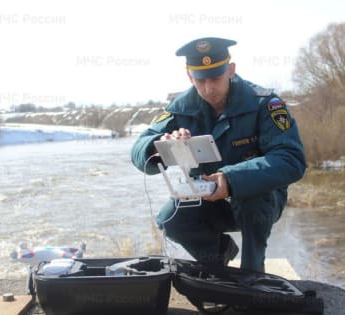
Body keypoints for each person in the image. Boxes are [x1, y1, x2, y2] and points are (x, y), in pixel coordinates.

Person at [131, 37, 306, 272]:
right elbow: (138, 149)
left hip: (259, 202)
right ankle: (217, 261)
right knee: (170, 218)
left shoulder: (265, 104)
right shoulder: (180, 108)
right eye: (201, 80)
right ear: (189, 76)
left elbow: (291, 160)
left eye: (216, 78)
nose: (209, 89)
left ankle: (252, 273)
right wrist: (160, 146)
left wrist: (231, 179)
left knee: (253, 201)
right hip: (206, 199)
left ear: (230, 70)